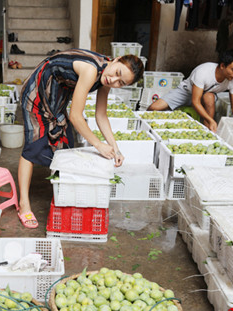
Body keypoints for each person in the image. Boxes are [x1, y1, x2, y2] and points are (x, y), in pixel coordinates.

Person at [17, 49, 144, 229]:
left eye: (120, 83)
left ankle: (61, 195)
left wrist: (115, 148)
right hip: (38, 90)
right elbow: (76, 116)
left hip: (58, 94)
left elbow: (101, 114)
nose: (113, 81)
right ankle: (23, 205)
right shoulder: (91, 70)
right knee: (34, 146)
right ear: (115, 60)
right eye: (117, 73)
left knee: (66, 143)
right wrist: (99, 145)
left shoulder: (106, 77)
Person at [147, 49, 233, 132]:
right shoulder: (203, 72)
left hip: (204, 95)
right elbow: (195, 101)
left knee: (209, 97)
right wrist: (211, 120)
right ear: (222, 66)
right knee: (153, 107)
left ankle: (208, 132)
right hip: (186, 92)